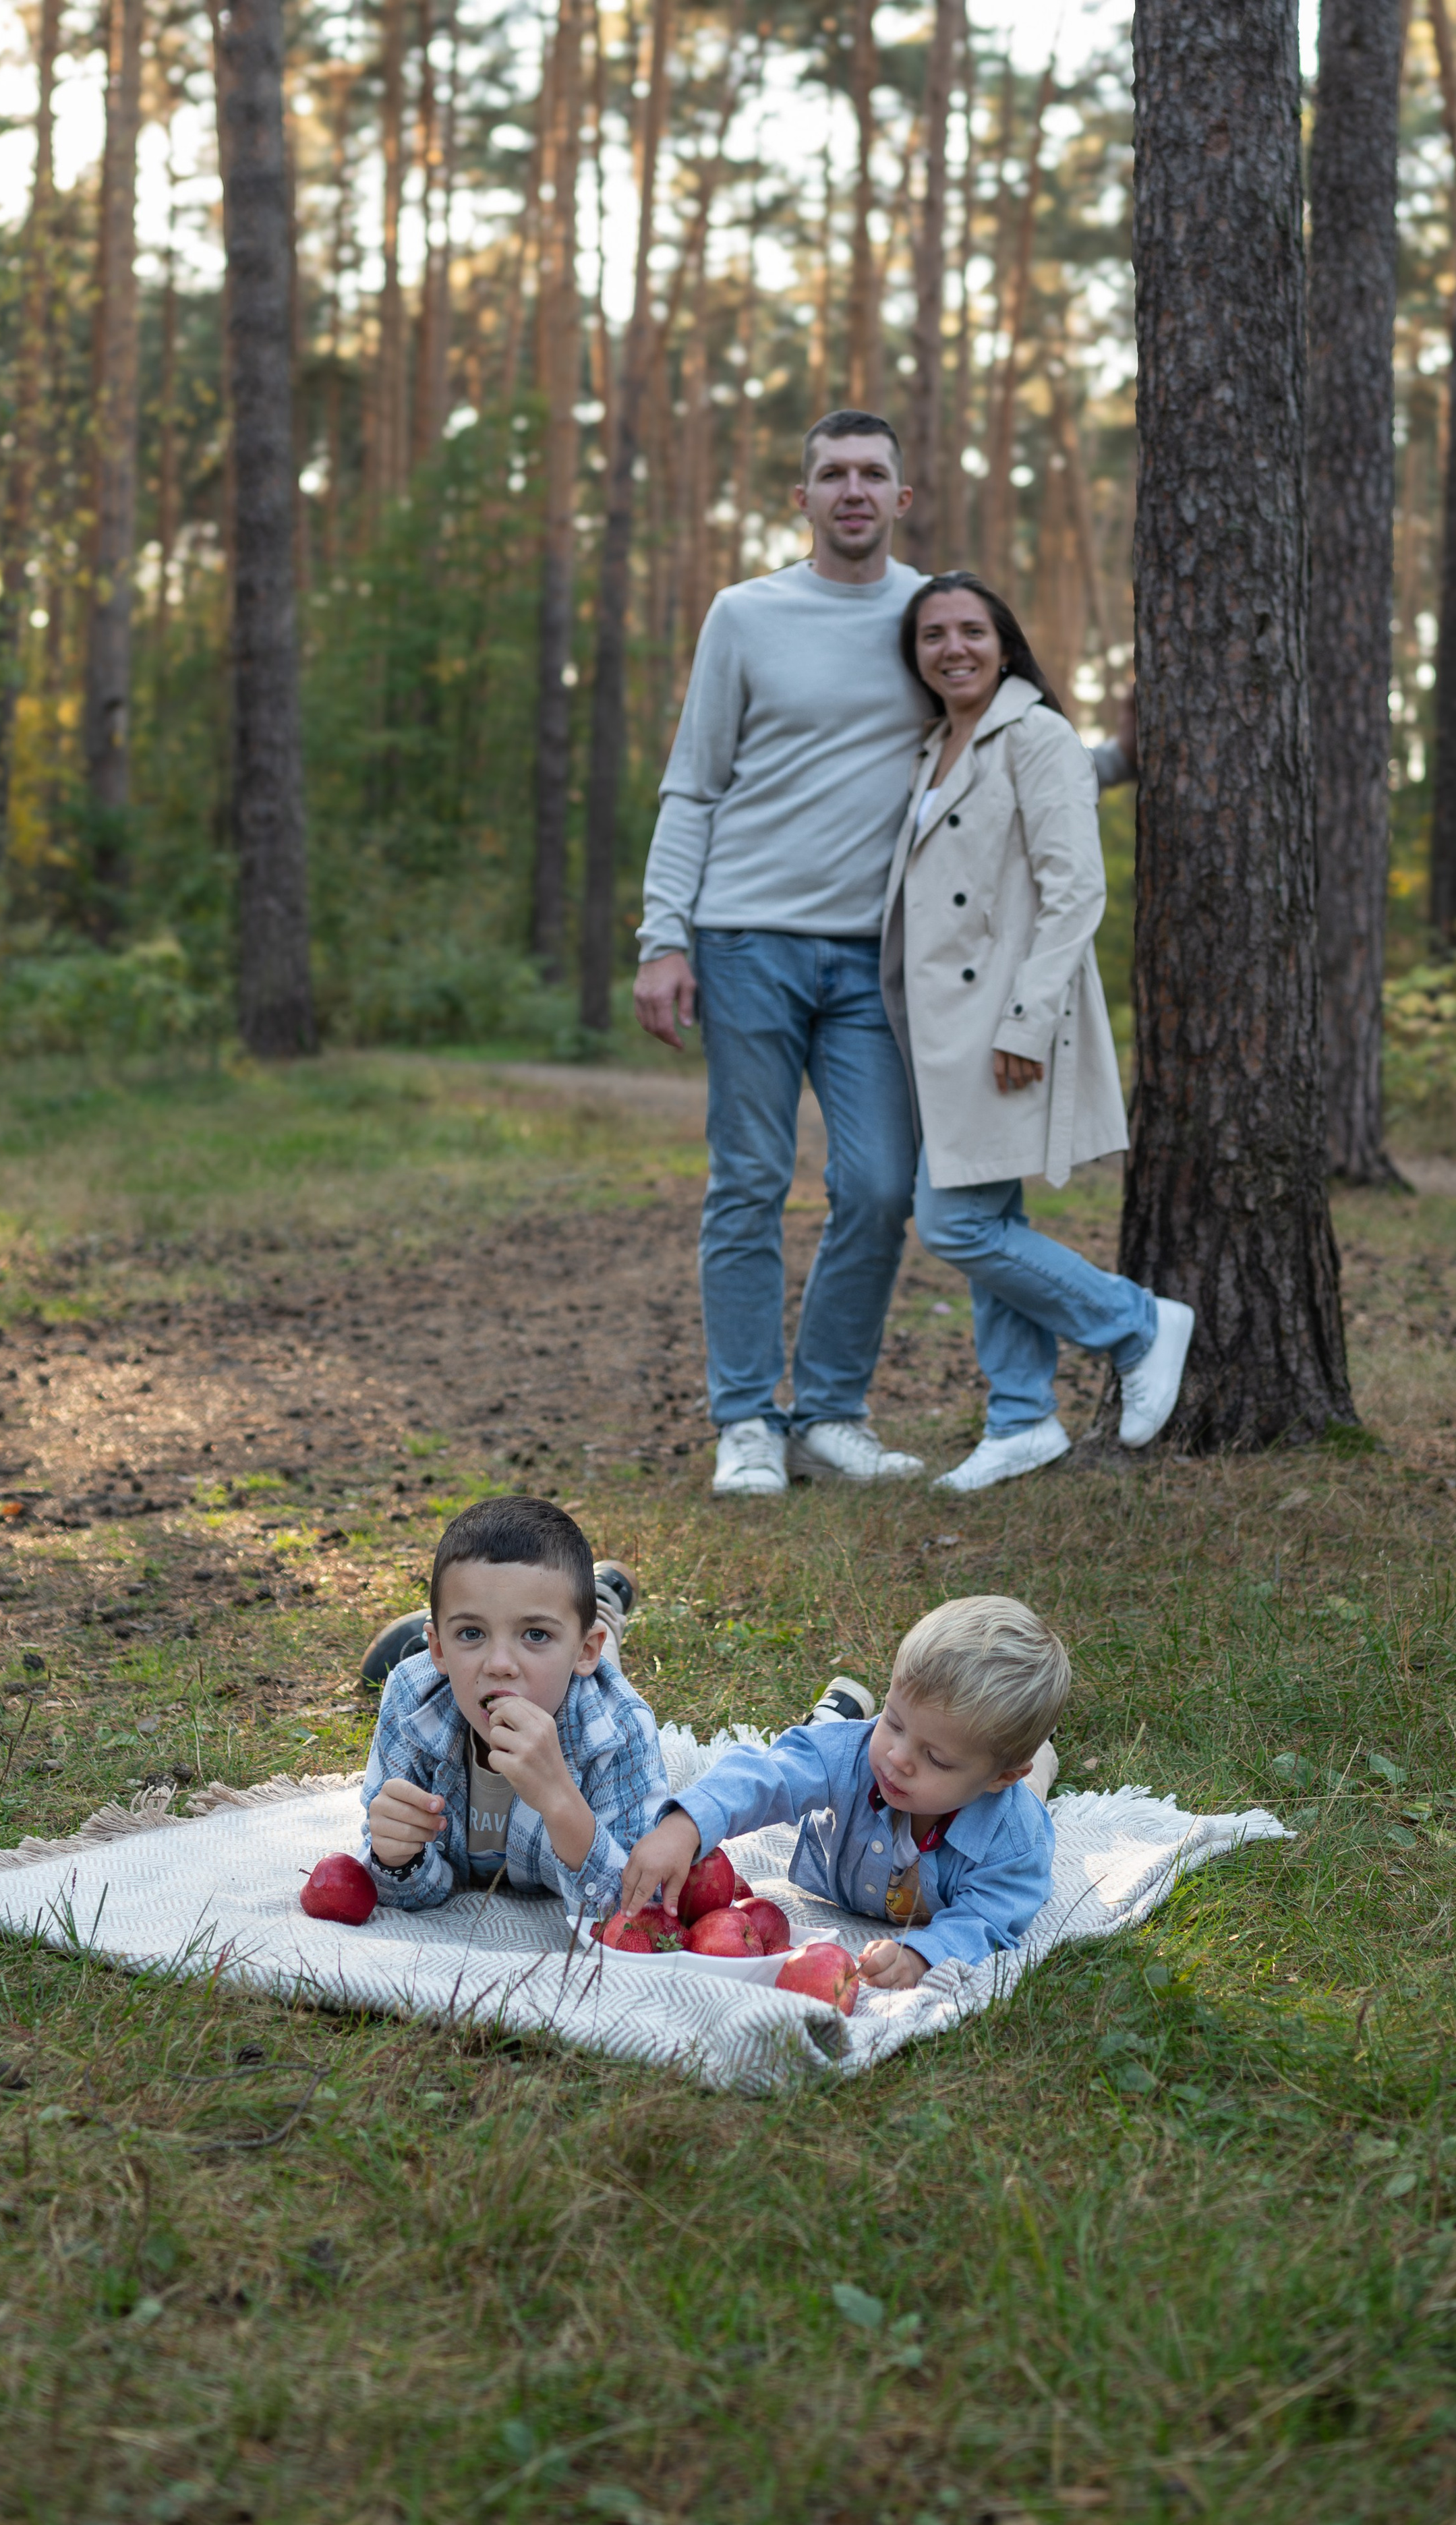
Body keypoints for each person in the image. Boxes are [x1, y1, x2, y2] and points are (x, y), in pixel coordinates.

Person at [634, 411, 1140, 1504]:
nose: (852, 489)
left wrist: (1110, 757)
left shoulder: (927, 616)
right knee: (751, 1183)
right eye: (831, 473)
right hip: (746, 940)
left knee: (874, 1189)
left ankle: (828, 1414)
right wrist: (664, 936)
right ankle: (746, 1426)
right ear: (802, 497)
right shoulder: (746, 615)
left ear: (902, 498)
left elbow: (989, 743)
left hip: (879, 964)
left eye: (872, 473)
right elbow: (694, 784)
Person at [881, 573, 1195, 1493]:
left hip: (1002, 1022)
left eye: (972, 630)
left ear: (1007, 645)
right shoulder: (935, 744)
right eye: (932, 635)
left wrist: (1028, 1017)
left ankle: (1137, 1323)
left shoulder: (1039, 734)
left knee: (954, 1223)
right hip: (937, 1028)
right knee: (989, 1216)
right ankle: (1021, 1418)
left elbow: (1074, 893)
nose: (953, 648)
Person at [618, 1596, 1064, 1991]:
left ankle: (1038, 1761)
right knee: (819, 1747)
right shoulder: (858, 1755)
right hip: (842, 1750)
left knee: (1029, 1795)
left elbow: (989, 1918)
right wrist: (688, 1823)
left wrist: (924, 1953)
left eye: (938, 1759)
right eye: (893, 1719)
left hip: (1009, 1800)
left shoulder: (1015, 1842)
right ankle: (839, 1713)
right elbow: (770, 1774)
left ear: (999, 1775)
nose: (898, 1757)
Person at [356, 1495, 664, 1927]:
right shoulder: (412, 1697)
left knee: (600, 1650)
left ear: (582, 1648)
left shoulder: (619, 1725)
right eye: (471, 1632)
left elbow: (639, 1911)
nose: (500, 1664)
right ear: (439, 1650)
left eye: (535, 1633)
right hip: (540, 1658)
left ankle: (605, 1596)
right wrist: (394, 1860)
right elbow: (402, 1888)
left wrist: (561, 1801)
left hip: (583, 1683)